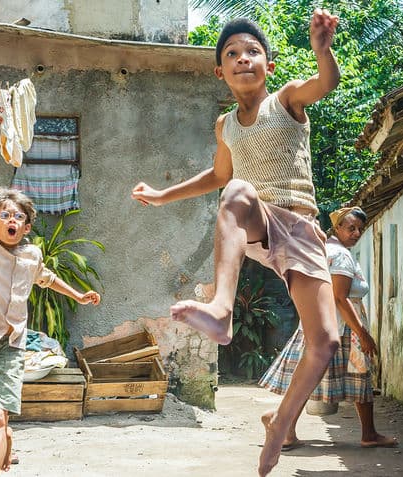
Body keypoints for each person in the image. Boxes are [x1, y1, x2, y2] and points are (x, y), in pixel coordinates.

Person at [131, 10, 341, 476]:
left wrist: (322, 51)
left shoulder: (287, 100)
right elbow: (220, 175)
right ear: (219, 72)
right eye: (232, 54)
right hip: (257, 221)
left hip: (301, 228)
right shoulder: (224, 125)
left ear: (268, 64)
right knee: (238, 190)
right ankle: (222, 309)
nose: (243, 58)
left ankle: (280, 422)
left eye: (252, 51)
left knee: (325, 341)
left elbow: (326, 83)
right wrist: (163, 195)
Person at [0, 181, 101, 477]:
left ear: (26, 227)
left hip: (10, 347)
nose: (12, 220)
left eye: (19, 217)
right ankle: (6, 437)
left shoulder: (32, 255)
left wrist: (77, 295)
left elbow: (46, 277)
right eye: (5, 215)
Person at [259, 206, 397, 450]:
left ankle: (284, 429)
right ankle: (368, 434)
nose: (356, 233)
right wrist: (362, 334)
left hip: (318, 324)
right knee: (360, 378)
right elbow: (340, 298)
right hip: (342, 328)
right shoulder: (341, 255)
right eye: (351, 228)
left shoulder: (325, 249)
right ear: (337, 227)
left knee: (307, 379)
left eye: (360, 229)